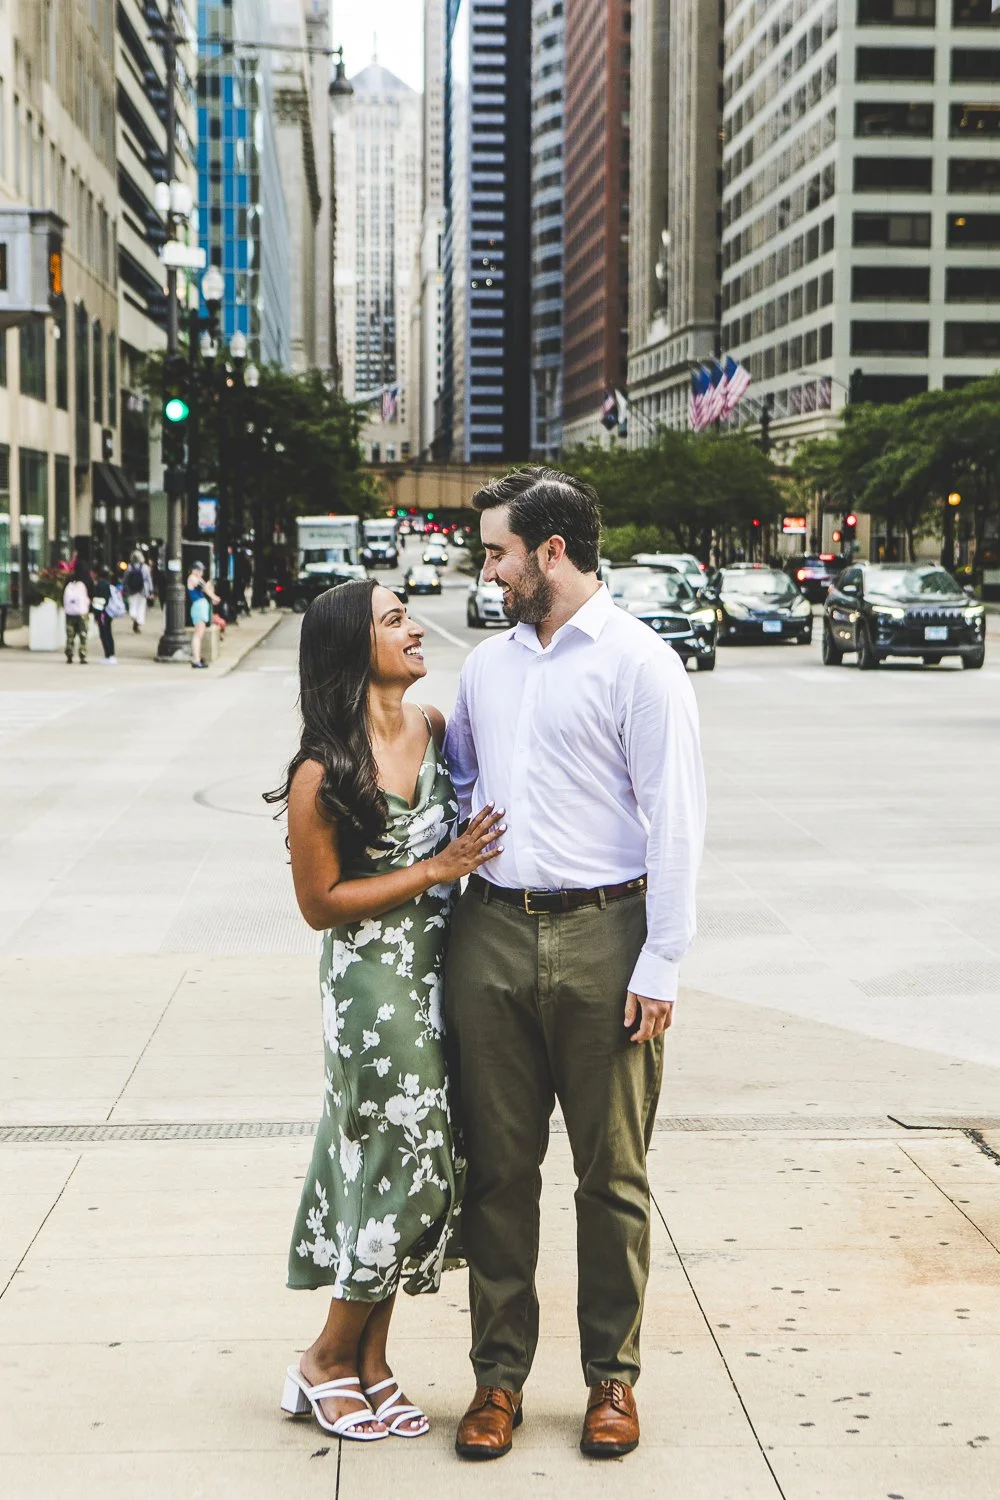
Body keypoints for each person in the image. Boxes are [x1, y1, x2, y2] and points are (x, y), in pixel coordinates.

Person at [443, 468, 706, 1462]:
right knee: (499, 1174)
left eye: (497, 551)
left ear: (550, 552)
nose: (488, 568)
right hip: (493, 933)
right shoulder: (487, 667)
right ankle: (497, 1380)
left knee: (613, 1176)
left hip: (610, 935)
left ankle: (611, 1378)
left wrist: (663, 961)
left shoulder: (640, 664)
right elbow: (461, 786)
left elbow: (675, 816)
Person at [266, 579, 505, 1444]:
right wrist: (434, 871)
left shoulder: (434, 729)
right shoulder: (322, 770)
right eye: (394, 618)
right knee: (409, 1167)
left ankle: (371, 1364)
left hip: (446, 974)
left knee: (409, 1164)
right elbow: (321, 903)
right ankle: (325, 1358)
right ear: (349, 647)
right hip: (372, 991)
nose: (413, 628)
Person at [187, 562, 220, 669]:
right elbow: (205, 588)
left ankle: (198, 657)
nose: (202, 572)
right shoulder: (192, 578)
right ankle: (196, 660)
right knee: (198, 635)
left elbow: (206, 588)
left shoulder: (197, 579)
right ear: (194, 570)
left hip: (201, 606)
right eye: (200, 570)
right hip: (198, 607)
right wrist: (214, 597)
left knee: (200, 635)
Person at [90, 565, 124, 665]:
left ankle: (109, 655)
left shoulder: (100, 585)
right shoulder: (107, 584)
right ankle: (110, 655)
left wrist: (97, 615)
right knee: (107, 632)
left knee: (104, 633)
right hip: (108, 613)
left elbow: (99, 602)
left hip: (103, 613)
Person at [62, 563, 92, 664]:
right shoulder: (86, 579)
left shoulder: (69, 579)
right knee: (83, 634)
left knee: (70, 634)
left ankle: (69, 654)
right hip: (82, 613)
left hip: (70, 612)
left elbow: (63, 593)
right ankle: (82, 655)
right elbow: (91, 594)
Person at [124, 550, 154, 633]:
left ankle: (133, 614)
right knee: (141, 606)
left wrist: (125, 588)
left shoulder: (129, 567)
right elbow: (149, 579)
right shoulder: (145, 567)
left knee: (133, 604)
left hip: (132, 589)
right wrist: (151, 591)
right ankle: (139, 620)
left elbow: (125, 579)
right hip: (143, 589)